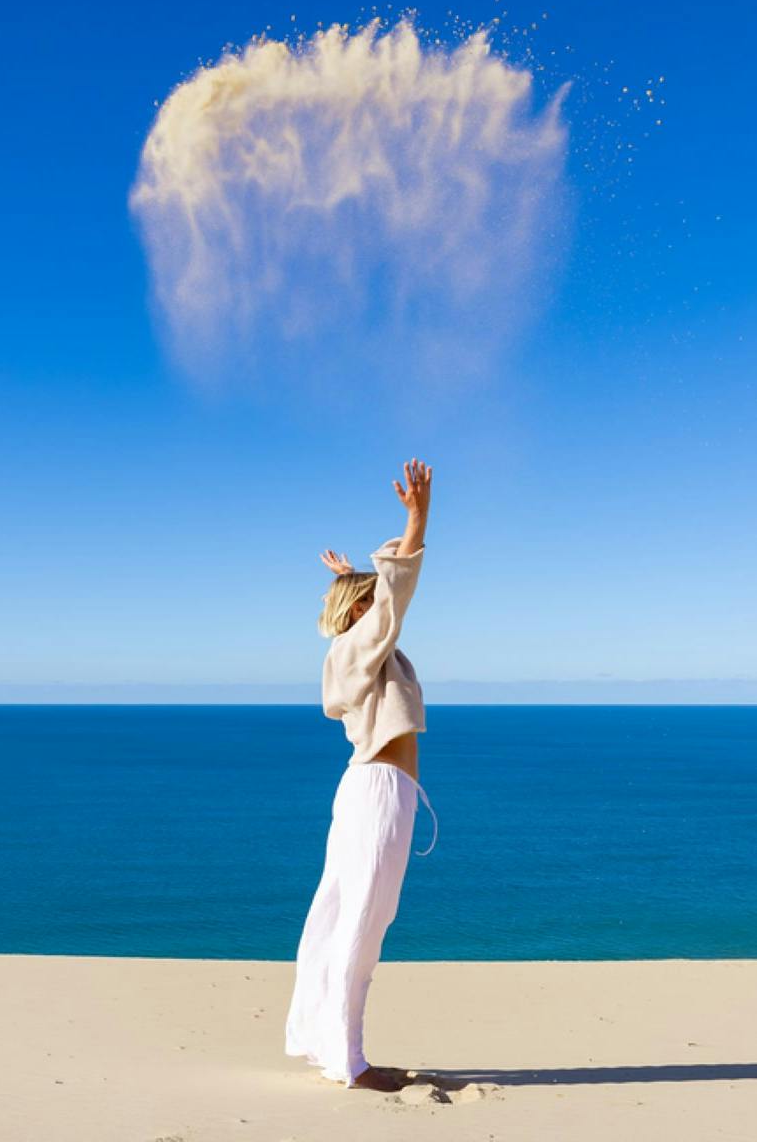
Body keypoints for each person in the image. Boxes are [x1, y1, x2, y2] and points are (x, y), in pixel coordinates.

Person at [284, 458, 439, 1092]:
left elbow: (381, 603)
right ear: (360, 612)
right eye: (372, 600)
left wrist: (348, 578)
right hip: (376, 790)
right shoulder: (357, 645)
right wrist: (417, 517)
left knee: (347, 914)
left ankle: (329, 1046)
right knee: (362, 922)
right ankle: (349, 1061)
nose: (386, 607)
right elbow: (393, 594)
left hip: (373, 789)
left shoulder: (357, 649)